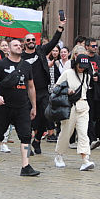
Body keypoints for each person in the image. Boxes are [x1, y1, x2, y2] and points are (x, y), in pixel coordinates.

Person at [0, 37, 40, 177]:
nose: (19, 47)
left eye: (20, 45)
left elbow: (31, 87)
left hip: (22, 107)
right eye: (15, 45)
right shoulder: (1, 64)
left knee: (26, 136)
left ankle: (26, 166)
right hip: (4, 106)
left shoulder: (27, 66)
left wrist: (34, 106)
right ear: (9, 48)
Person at [21, 17, 64, 154]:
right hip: (26, 93)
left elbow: (53, 42)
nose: (31, 42)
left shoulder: (40, 51)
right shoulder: (21, 57)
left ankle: (37, 140)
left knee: (46, 115)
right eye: (28, 40)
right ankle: (27, 147)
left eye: (33, 40)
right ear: (24, 43)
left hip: (43, 90)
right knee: (27, 120)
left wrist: (60, 27)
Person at [53, 48, 95, 171]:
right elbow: (56, 88)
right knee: (66, 132)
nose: (81, 68)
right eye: (79, 66)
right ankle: (59, 155)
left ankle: (85, 159)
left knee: (83, 133)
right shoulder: (67, 73)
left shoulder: (87, 76)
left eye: (84, 66)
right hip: (69, 107)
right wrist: (67, 91)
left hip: (83, 106)